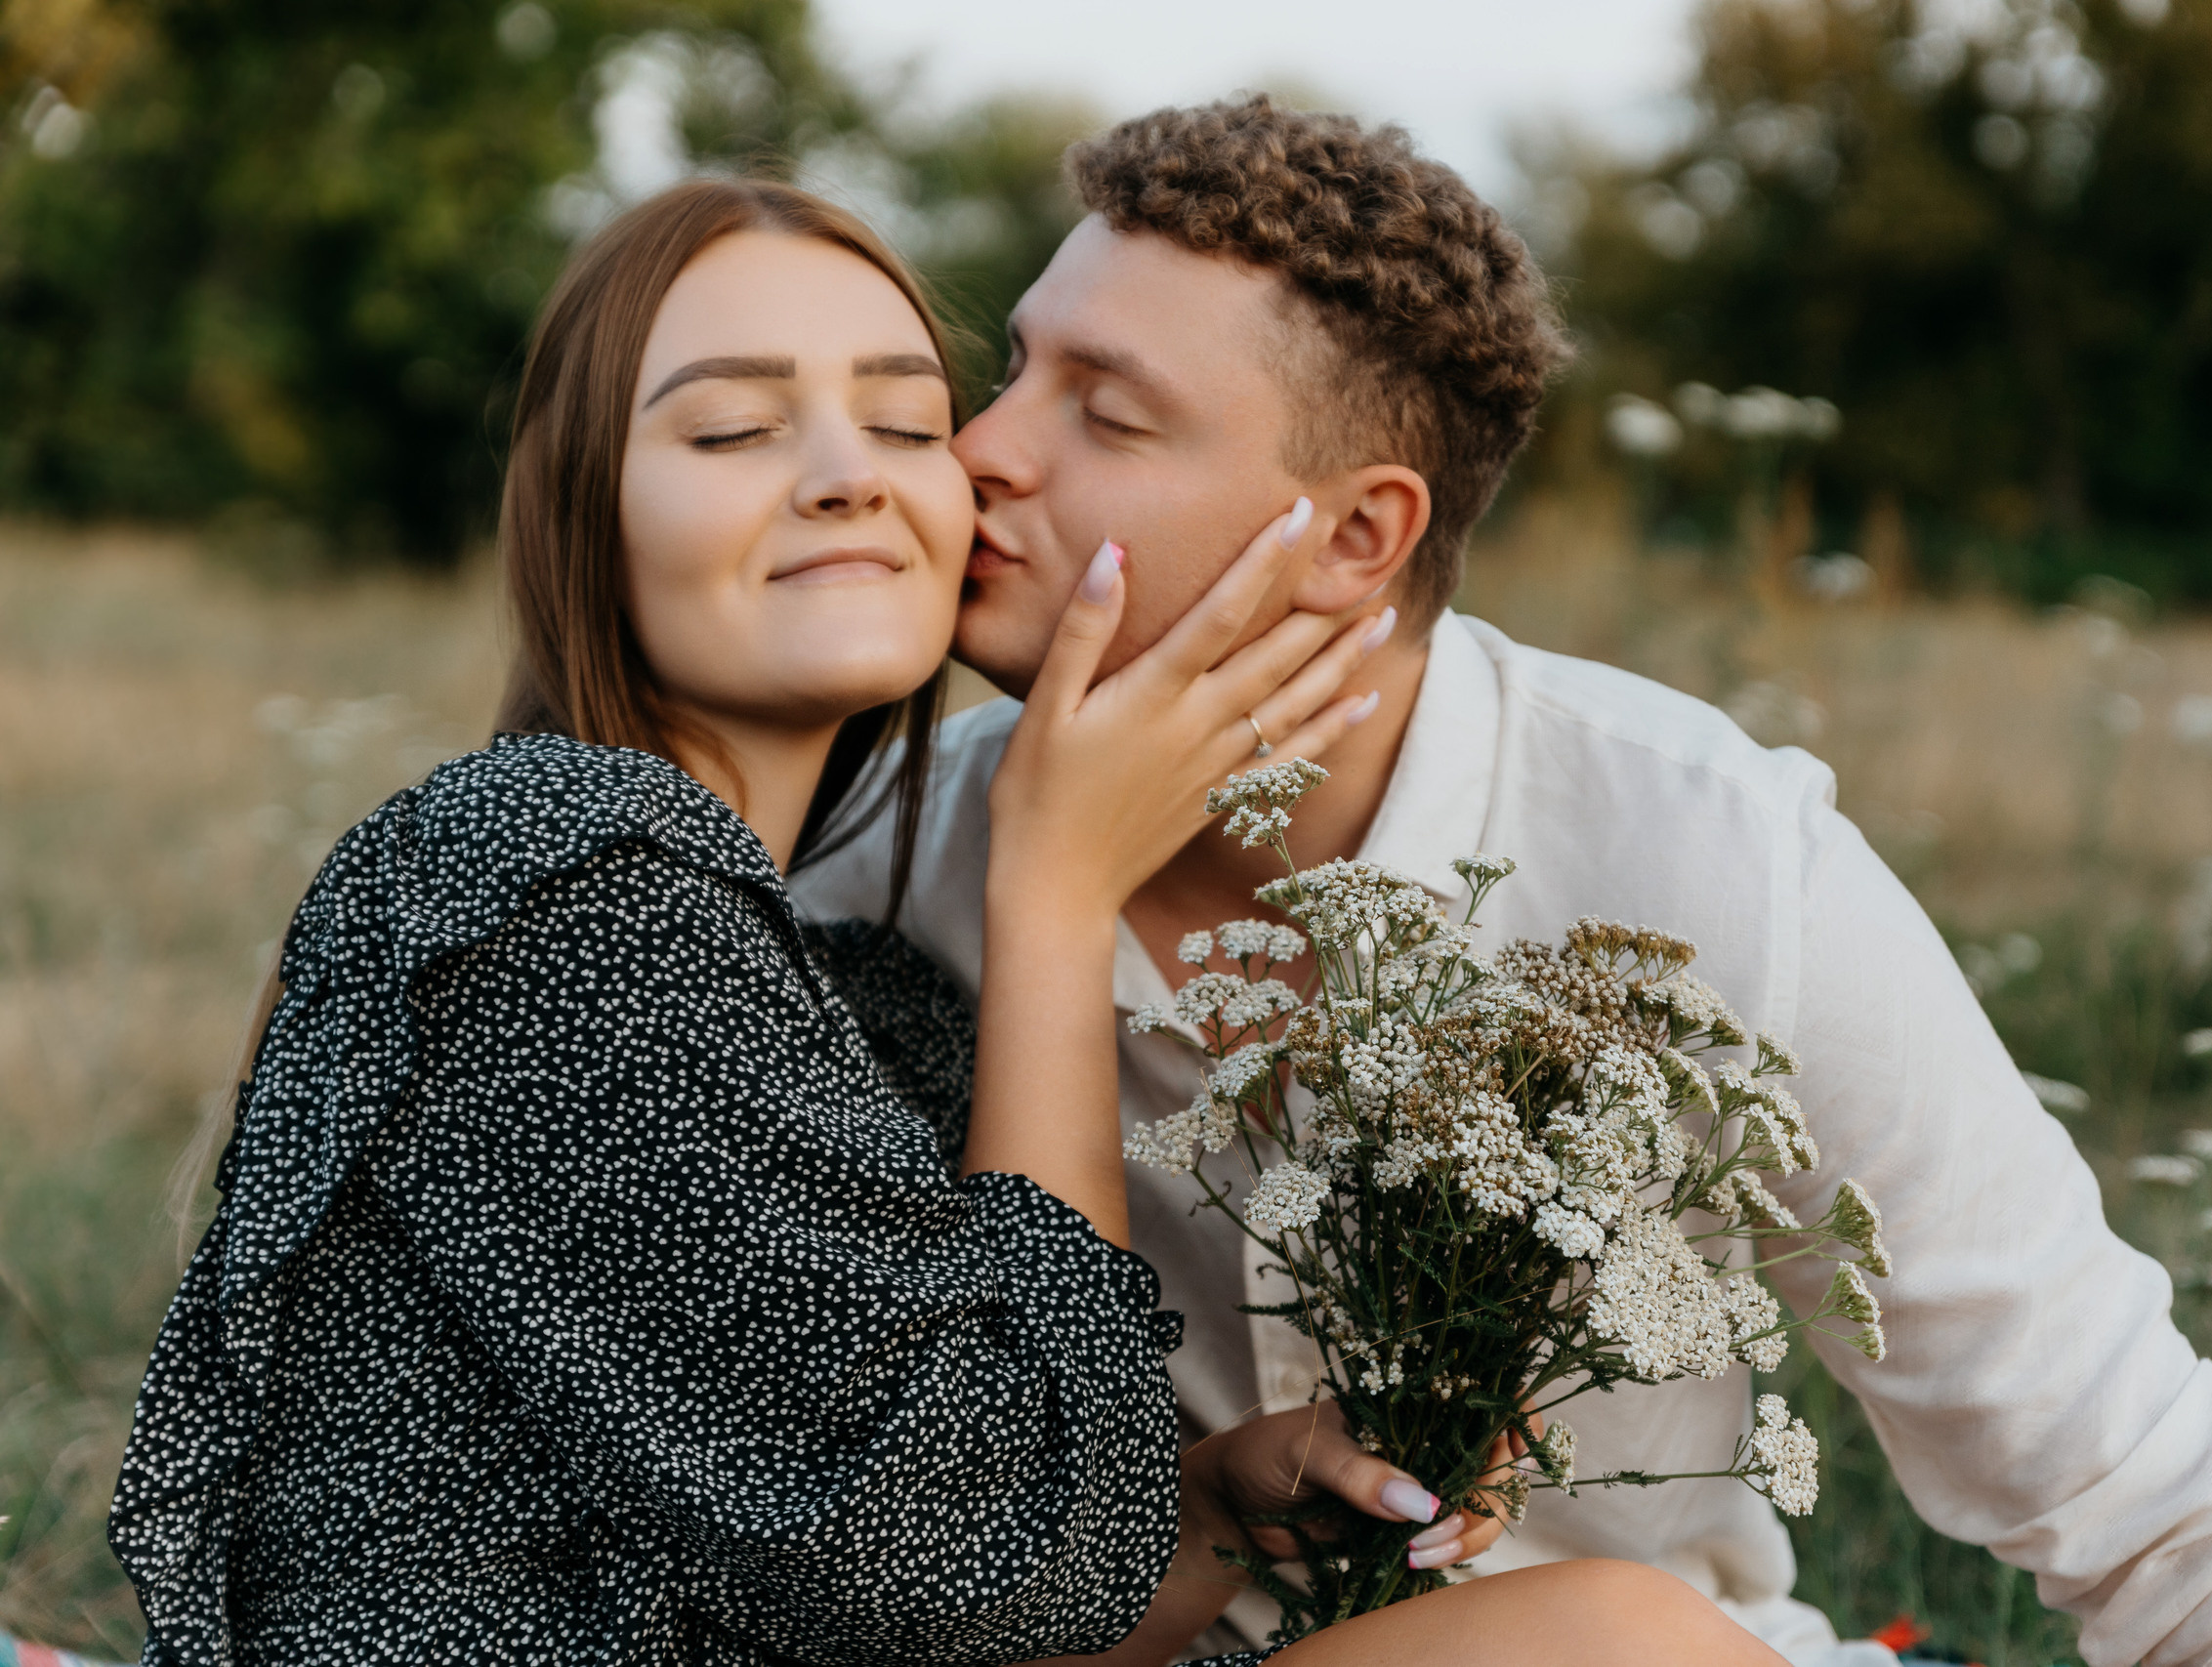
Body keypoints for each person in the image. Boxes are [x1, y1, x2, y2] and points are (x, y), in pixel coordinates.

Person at [792, 99, 2212, 1667]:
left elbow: (2163, 1512)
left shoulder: (1700, 857)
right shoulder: (868, 867)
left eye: (1107, 412)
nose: (977, 450)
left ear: (1358, 538)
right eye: (1010, 371)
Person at [105, 176, 1784, 1667]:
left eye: (909, 422)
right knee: (1622, 1644)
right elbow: (993, 1560)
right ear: (581, 511)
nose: (853, 475)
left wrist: (1220, 1507)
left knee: (1598, 1636)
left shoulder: (853, 983)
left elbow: (998, 1609)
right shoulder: (559, 878)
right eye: (731, 430)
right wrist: (1058, 892)